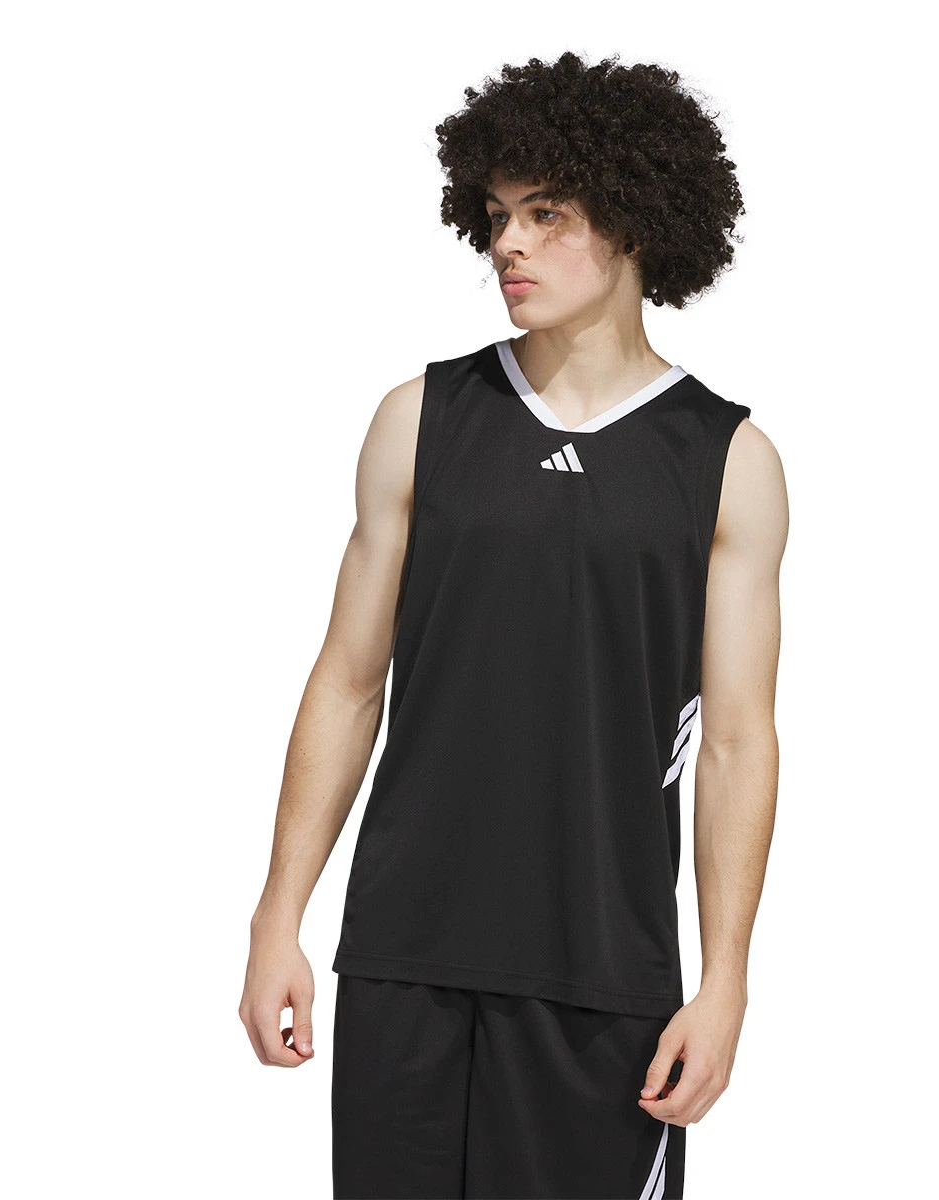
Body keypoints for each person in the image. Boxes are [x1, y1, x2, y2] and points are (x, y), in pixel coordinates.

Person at [240, 50, 788, 1199]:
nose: (508, 245)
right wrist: (278, 916)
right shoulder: (420, 419)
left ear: (632, 218)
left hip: (602, 977)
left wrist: (726, 982)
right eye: (496, 216)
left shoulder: (726, 460)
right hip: (404, 957)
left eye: (546, 213)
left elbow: (737, 743)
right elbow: (347, 681)